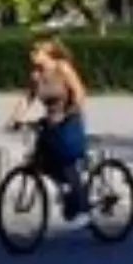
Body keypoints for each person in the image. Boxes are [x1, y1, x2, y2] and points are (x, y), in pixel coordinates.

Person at [7, 37, 90, 221]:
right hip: (50, 121)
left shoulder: (62, 69)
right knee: (42, 161)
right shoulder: (36, 76)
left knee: (65, 158)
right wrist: (16, 119)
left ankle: (81, 205)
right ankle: (67, 190)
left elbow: (80, 93)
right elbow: (27, 98)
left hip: (69, 120)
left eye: (36, 52)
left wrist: (70, 112)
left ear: (47, 54)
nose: (31, 56)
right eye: (31, 52)